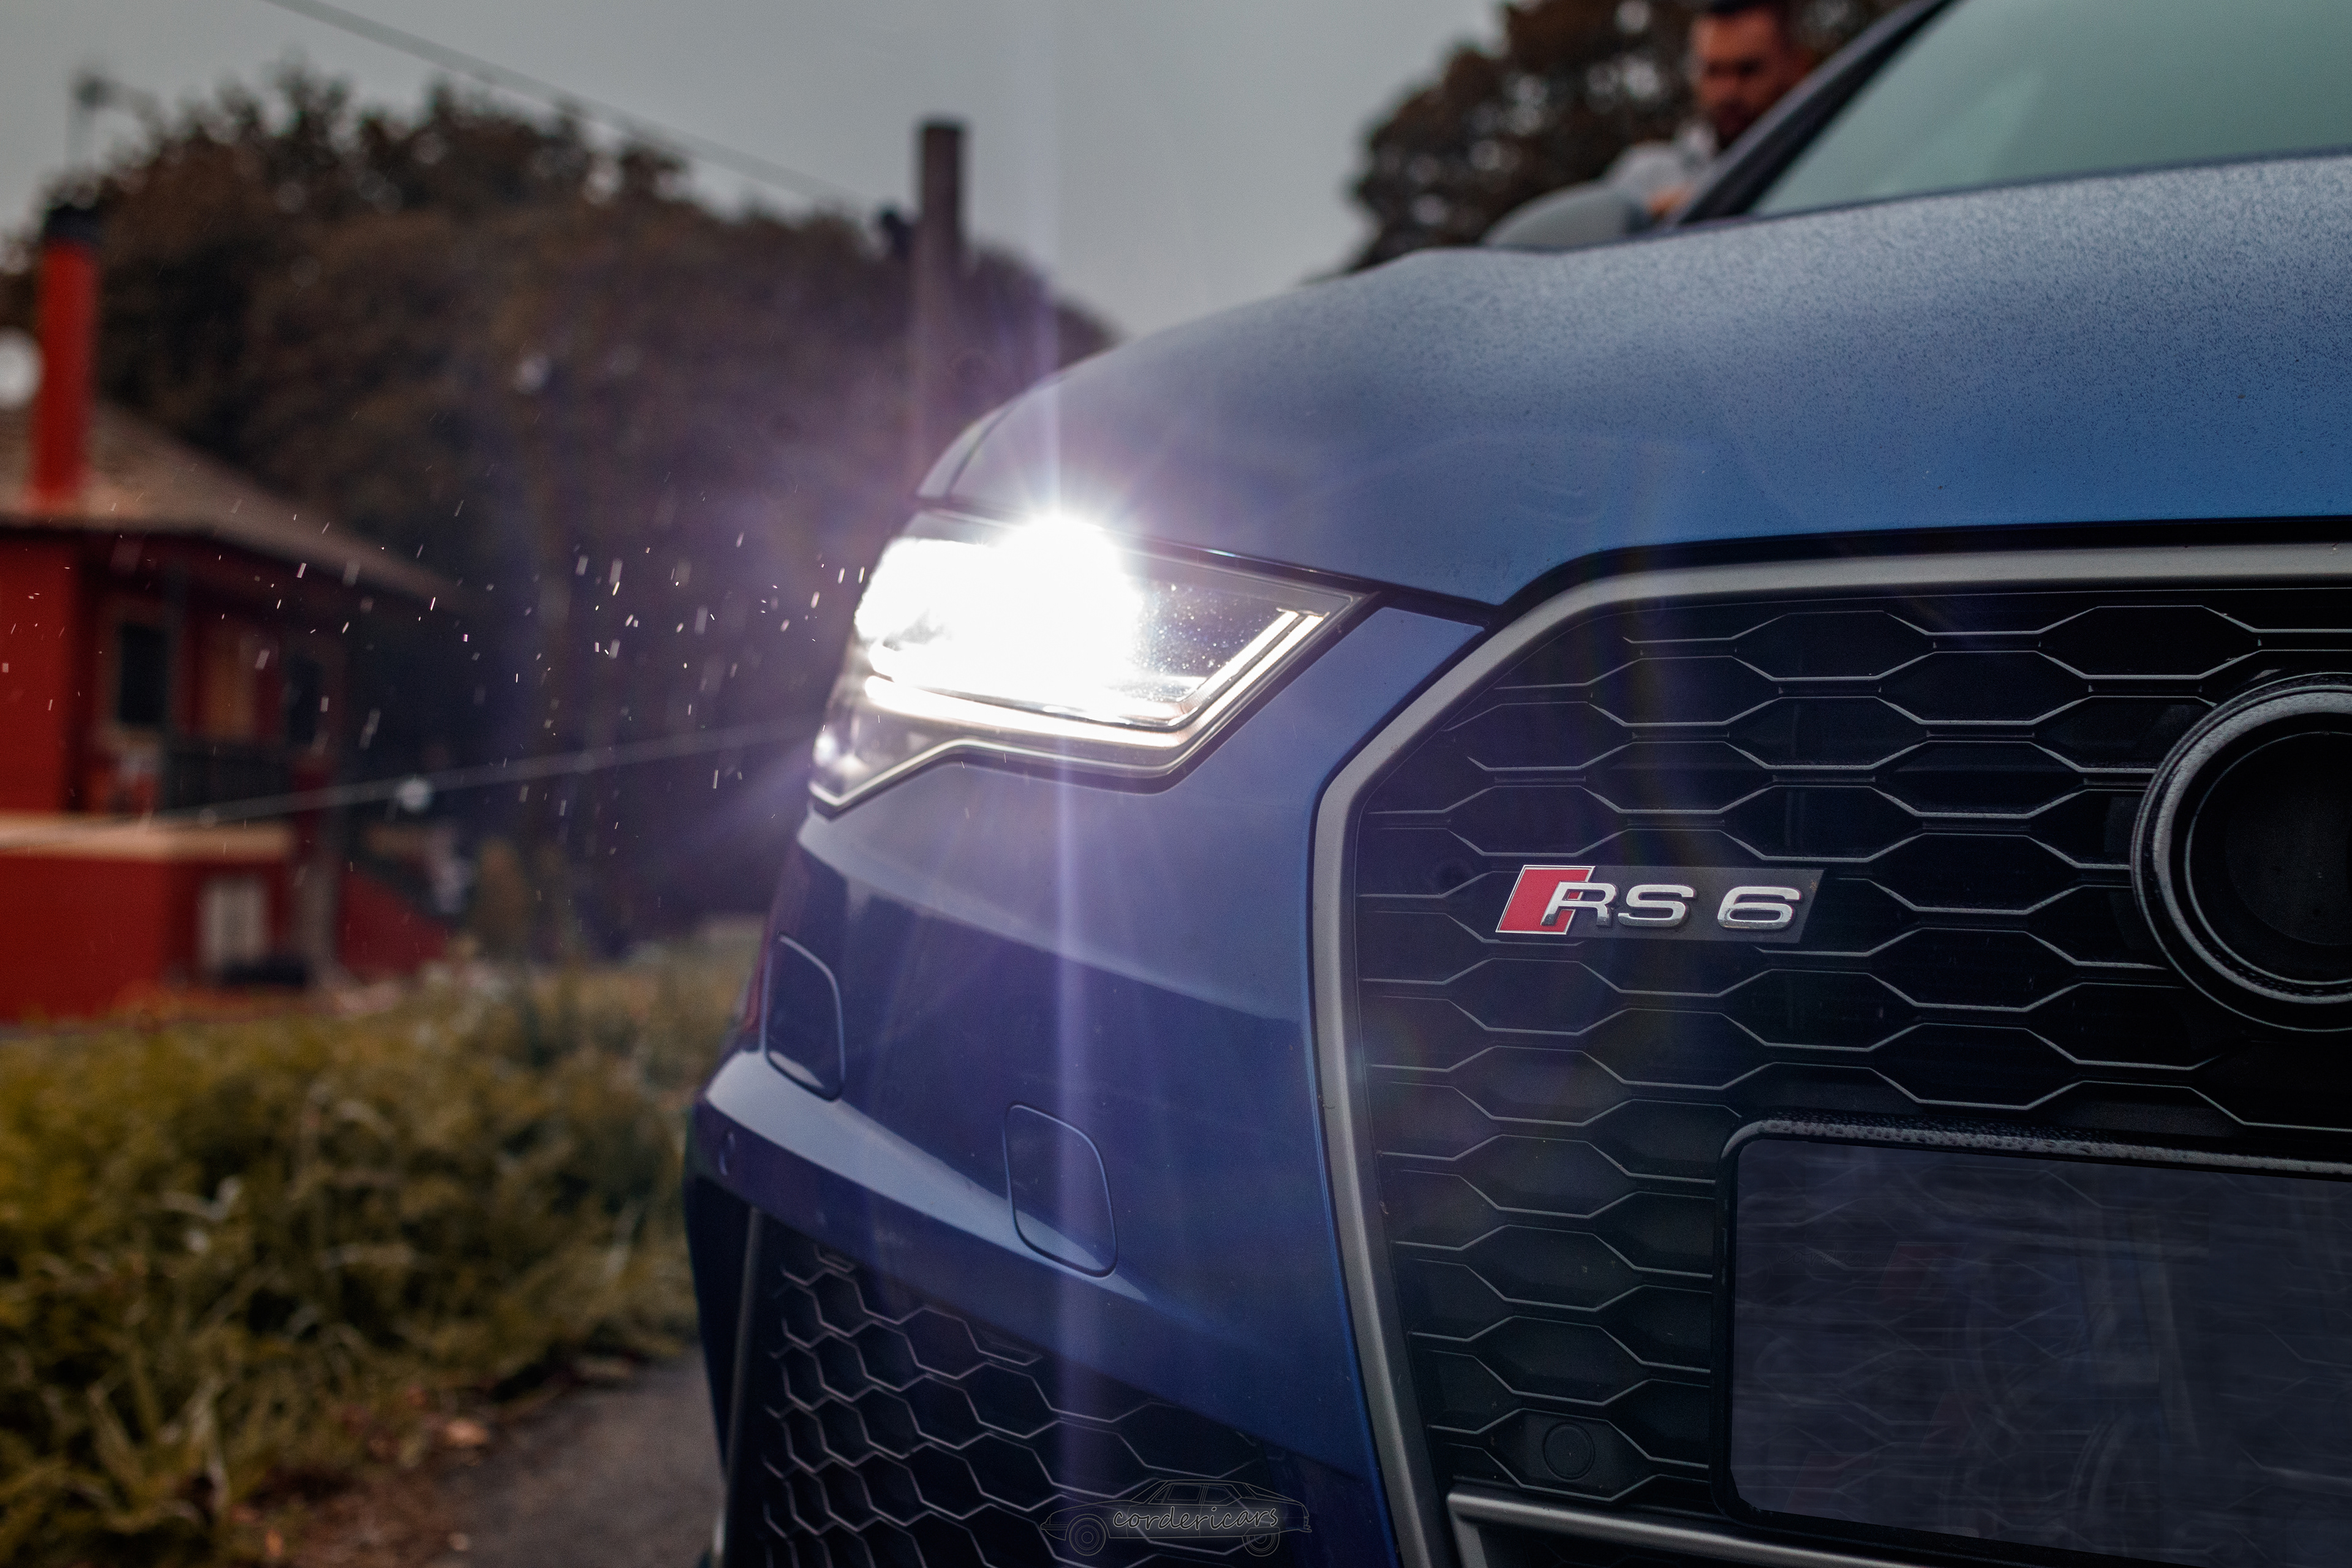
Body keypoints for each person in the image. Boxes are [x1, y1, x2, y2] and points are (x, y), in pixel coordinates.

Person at [1484, 0, 1819, 248]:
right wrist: (1653, 215)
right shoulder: (1646, 177)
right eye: (1713, 71)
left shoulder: (1835, 167)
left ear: (1797, 66)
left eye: (1748, 70)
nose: (1727, 91)